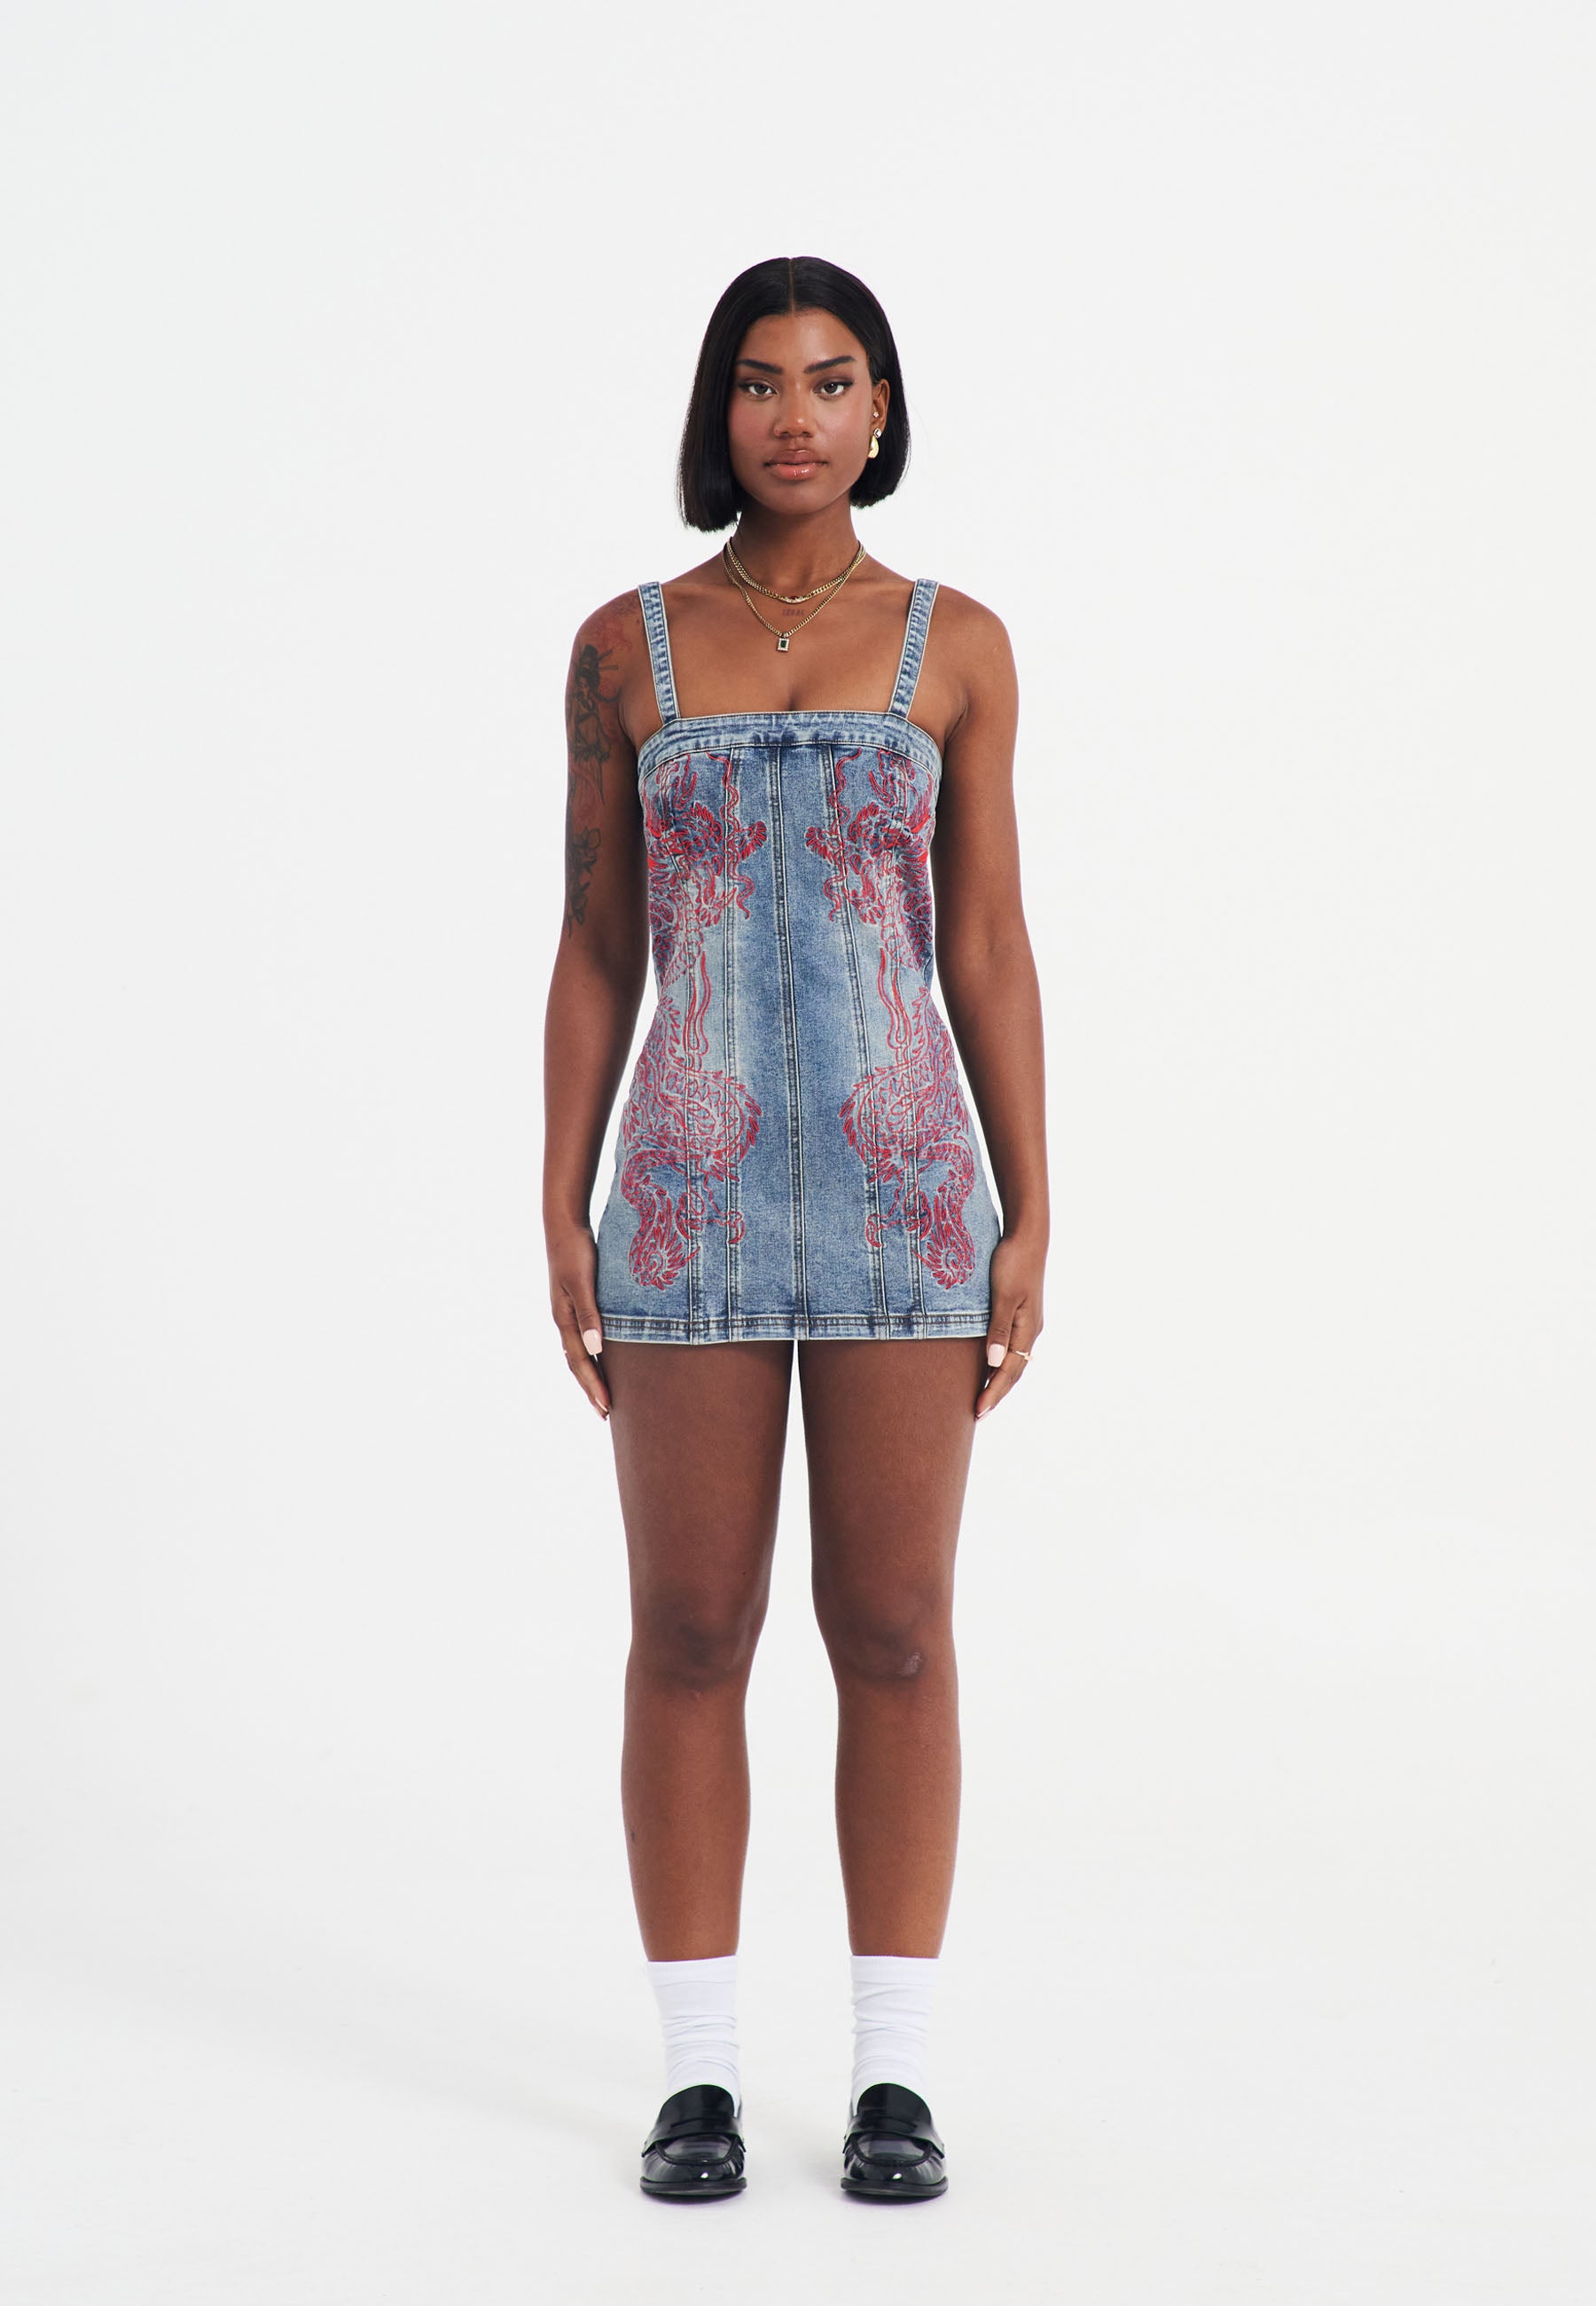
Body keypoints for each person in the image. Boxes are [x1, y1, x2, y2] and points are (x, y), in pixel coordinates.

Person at [542, 255, 1048, 2202]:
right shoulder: (624, 651)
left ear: (883, 409)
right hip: (687, 1188)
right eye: (761, 383)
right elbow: (598, 944)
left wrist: (1029, 1205)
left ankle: (896, 2078)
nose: (797, 417)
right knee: (689, 1630)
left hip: (906, 1184)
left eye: (835, 382)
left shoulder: (957, 646)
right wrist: (563, 1198)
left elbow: (984, 943)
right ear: (719, 409)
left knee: (896, 1633)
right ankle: (697, 2081)